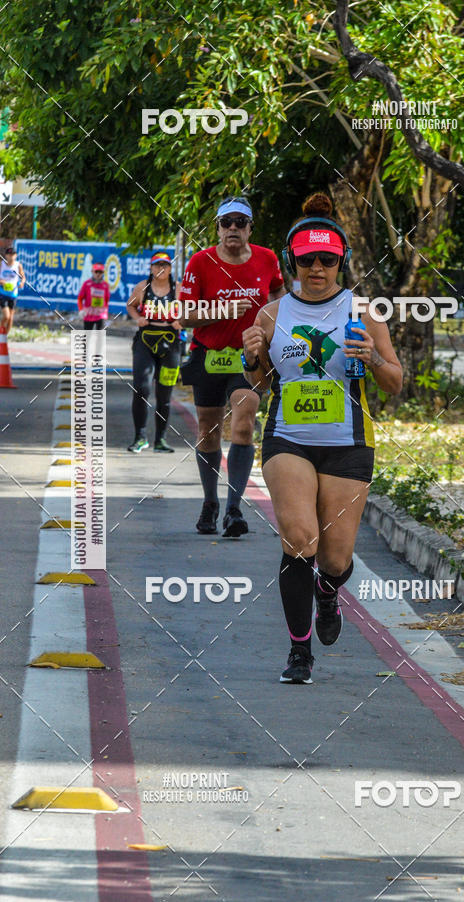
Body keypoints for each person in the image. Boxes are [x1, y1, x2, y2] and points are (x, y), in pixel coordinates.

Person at [241, 193, 403, 684]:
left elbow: (395, 382)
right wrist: (253, 357)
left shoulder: (363, 312)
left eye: (327, 259)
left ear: (341, 262)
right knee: (299, 539)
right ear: (293, 261)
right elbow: (262, 382)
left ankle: (330, 594)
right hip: (288, 438)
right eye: (307, 259)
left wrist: (373, 358)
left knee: (334, 558)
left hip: (348, 443)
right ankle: (298, 651)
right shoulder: (271, 314)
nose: (317, 268)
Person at [179, 195, 285, 537]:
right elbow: (183, 317)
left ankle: (234, 508)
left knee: (243, 423)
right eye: (227, 223)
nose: (233, 229)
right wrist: (221, 311)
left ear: (250, 228)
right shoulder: (200, 262)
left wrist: (272, 332)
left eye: (241, 223)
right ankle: (210, 501)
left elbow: (280, 299)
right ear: (218, 228)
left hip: (249, 359)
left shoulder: (267, 259)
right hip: (208, 355)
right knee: (207, 430)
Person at [126, 252, 183, 453]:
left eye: (165, 265)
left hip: (170, 345)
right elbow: (131, 305)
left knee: (164, 395)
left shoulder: (179, 290)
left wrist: (181, 321)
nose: (161, 269)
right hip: (145, 343)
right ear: (151, 268)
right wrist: (137, 318)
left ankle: (160, 440)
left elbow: (190, 311)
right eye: (157, 265)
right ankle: (140, 437)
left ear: (170, 268)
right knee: (141, 389)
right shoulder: (143, 288)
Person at [0, 247, 25, 334]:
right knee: (6, 316)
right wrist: (2, 282)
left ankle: (4, 337)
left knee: (11, 318)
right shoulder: (1, 264)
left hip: (13, 294)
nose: (11, 257)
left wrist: (22, 283)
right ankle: (1, 330)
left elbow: (23, 277)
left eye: (13, 255)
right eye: (9, 255)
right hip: (2, 293)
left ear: (16, 256)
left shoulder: (18, 265)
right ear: (6, 255)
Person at [77, 262, 110, 330]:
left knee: (99, 336)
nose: (98, 274)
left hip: (100, 315)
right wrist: (81, 310)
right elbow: (80, 298)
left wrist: (105, 311)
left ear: (103, 273)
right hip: (88, 315)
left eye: (100, 272)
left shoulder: (105, 285)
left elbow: (106, 300)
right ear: (92, 272)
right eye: (96, 272)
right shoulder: (87, 284)